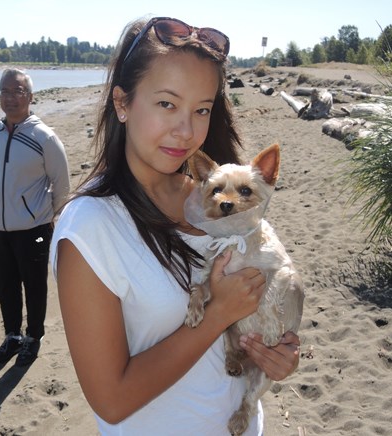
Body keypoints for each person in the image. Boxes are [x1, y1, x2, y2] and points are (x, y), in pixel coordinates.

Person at [50, 17, 301, 435]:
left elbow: (265, 292)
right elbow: (111, 401)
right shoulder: (89, 229)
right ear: (122, 103)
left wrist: (277, 349)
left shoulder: (212, 199)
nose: (186, 131)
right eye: (167, 104)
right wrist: (217, 314)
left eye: (201, 109)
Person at [0, 68, 70, 366]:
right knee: (5, 285)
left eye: (17, 91)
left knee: (34, 285)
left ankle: (33, 337)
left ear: (30, 97)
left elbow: (62, 184)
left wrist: (48, 217)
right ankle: (12, 336)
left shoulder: (44, 137)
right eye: (5, 92)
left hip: (34, 228)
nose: (10, 98)